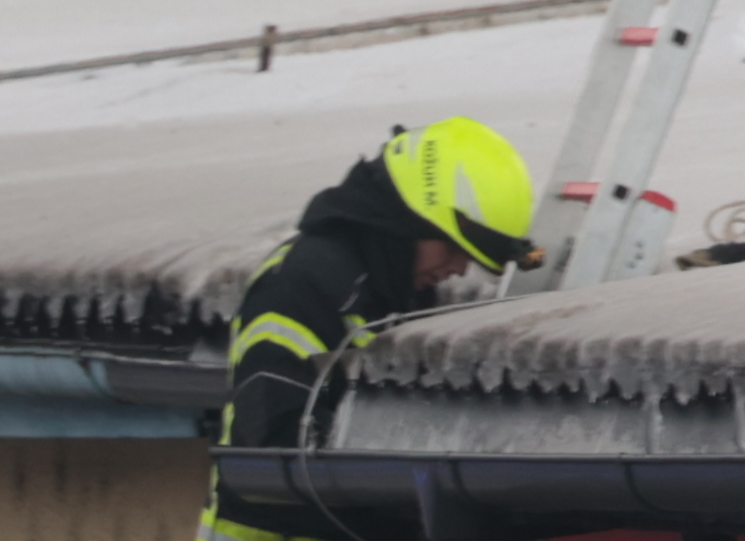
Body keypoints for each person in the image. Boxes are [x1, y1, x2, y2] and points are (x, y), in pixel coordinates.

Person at [202, 117, 545, 541]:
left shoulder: (384, 290)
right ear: (408, 224)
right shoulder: (304, 284)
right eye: (454, 248)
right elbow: (271, 439)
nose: (458, 269)